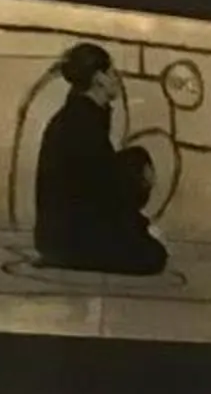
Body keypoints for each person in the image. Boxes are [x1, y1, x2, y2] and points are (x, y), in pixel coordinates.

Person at [30, 42, 167, 276]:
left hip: (64, 232)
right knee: (153, 256)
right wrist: (140, 225)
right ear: (99, 79)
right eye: (112, 72)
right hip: (66, 239)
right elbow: (101, 193)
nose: (117, 78)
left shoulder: (84, 116)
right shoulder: (82, 122)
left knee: (135, 158)